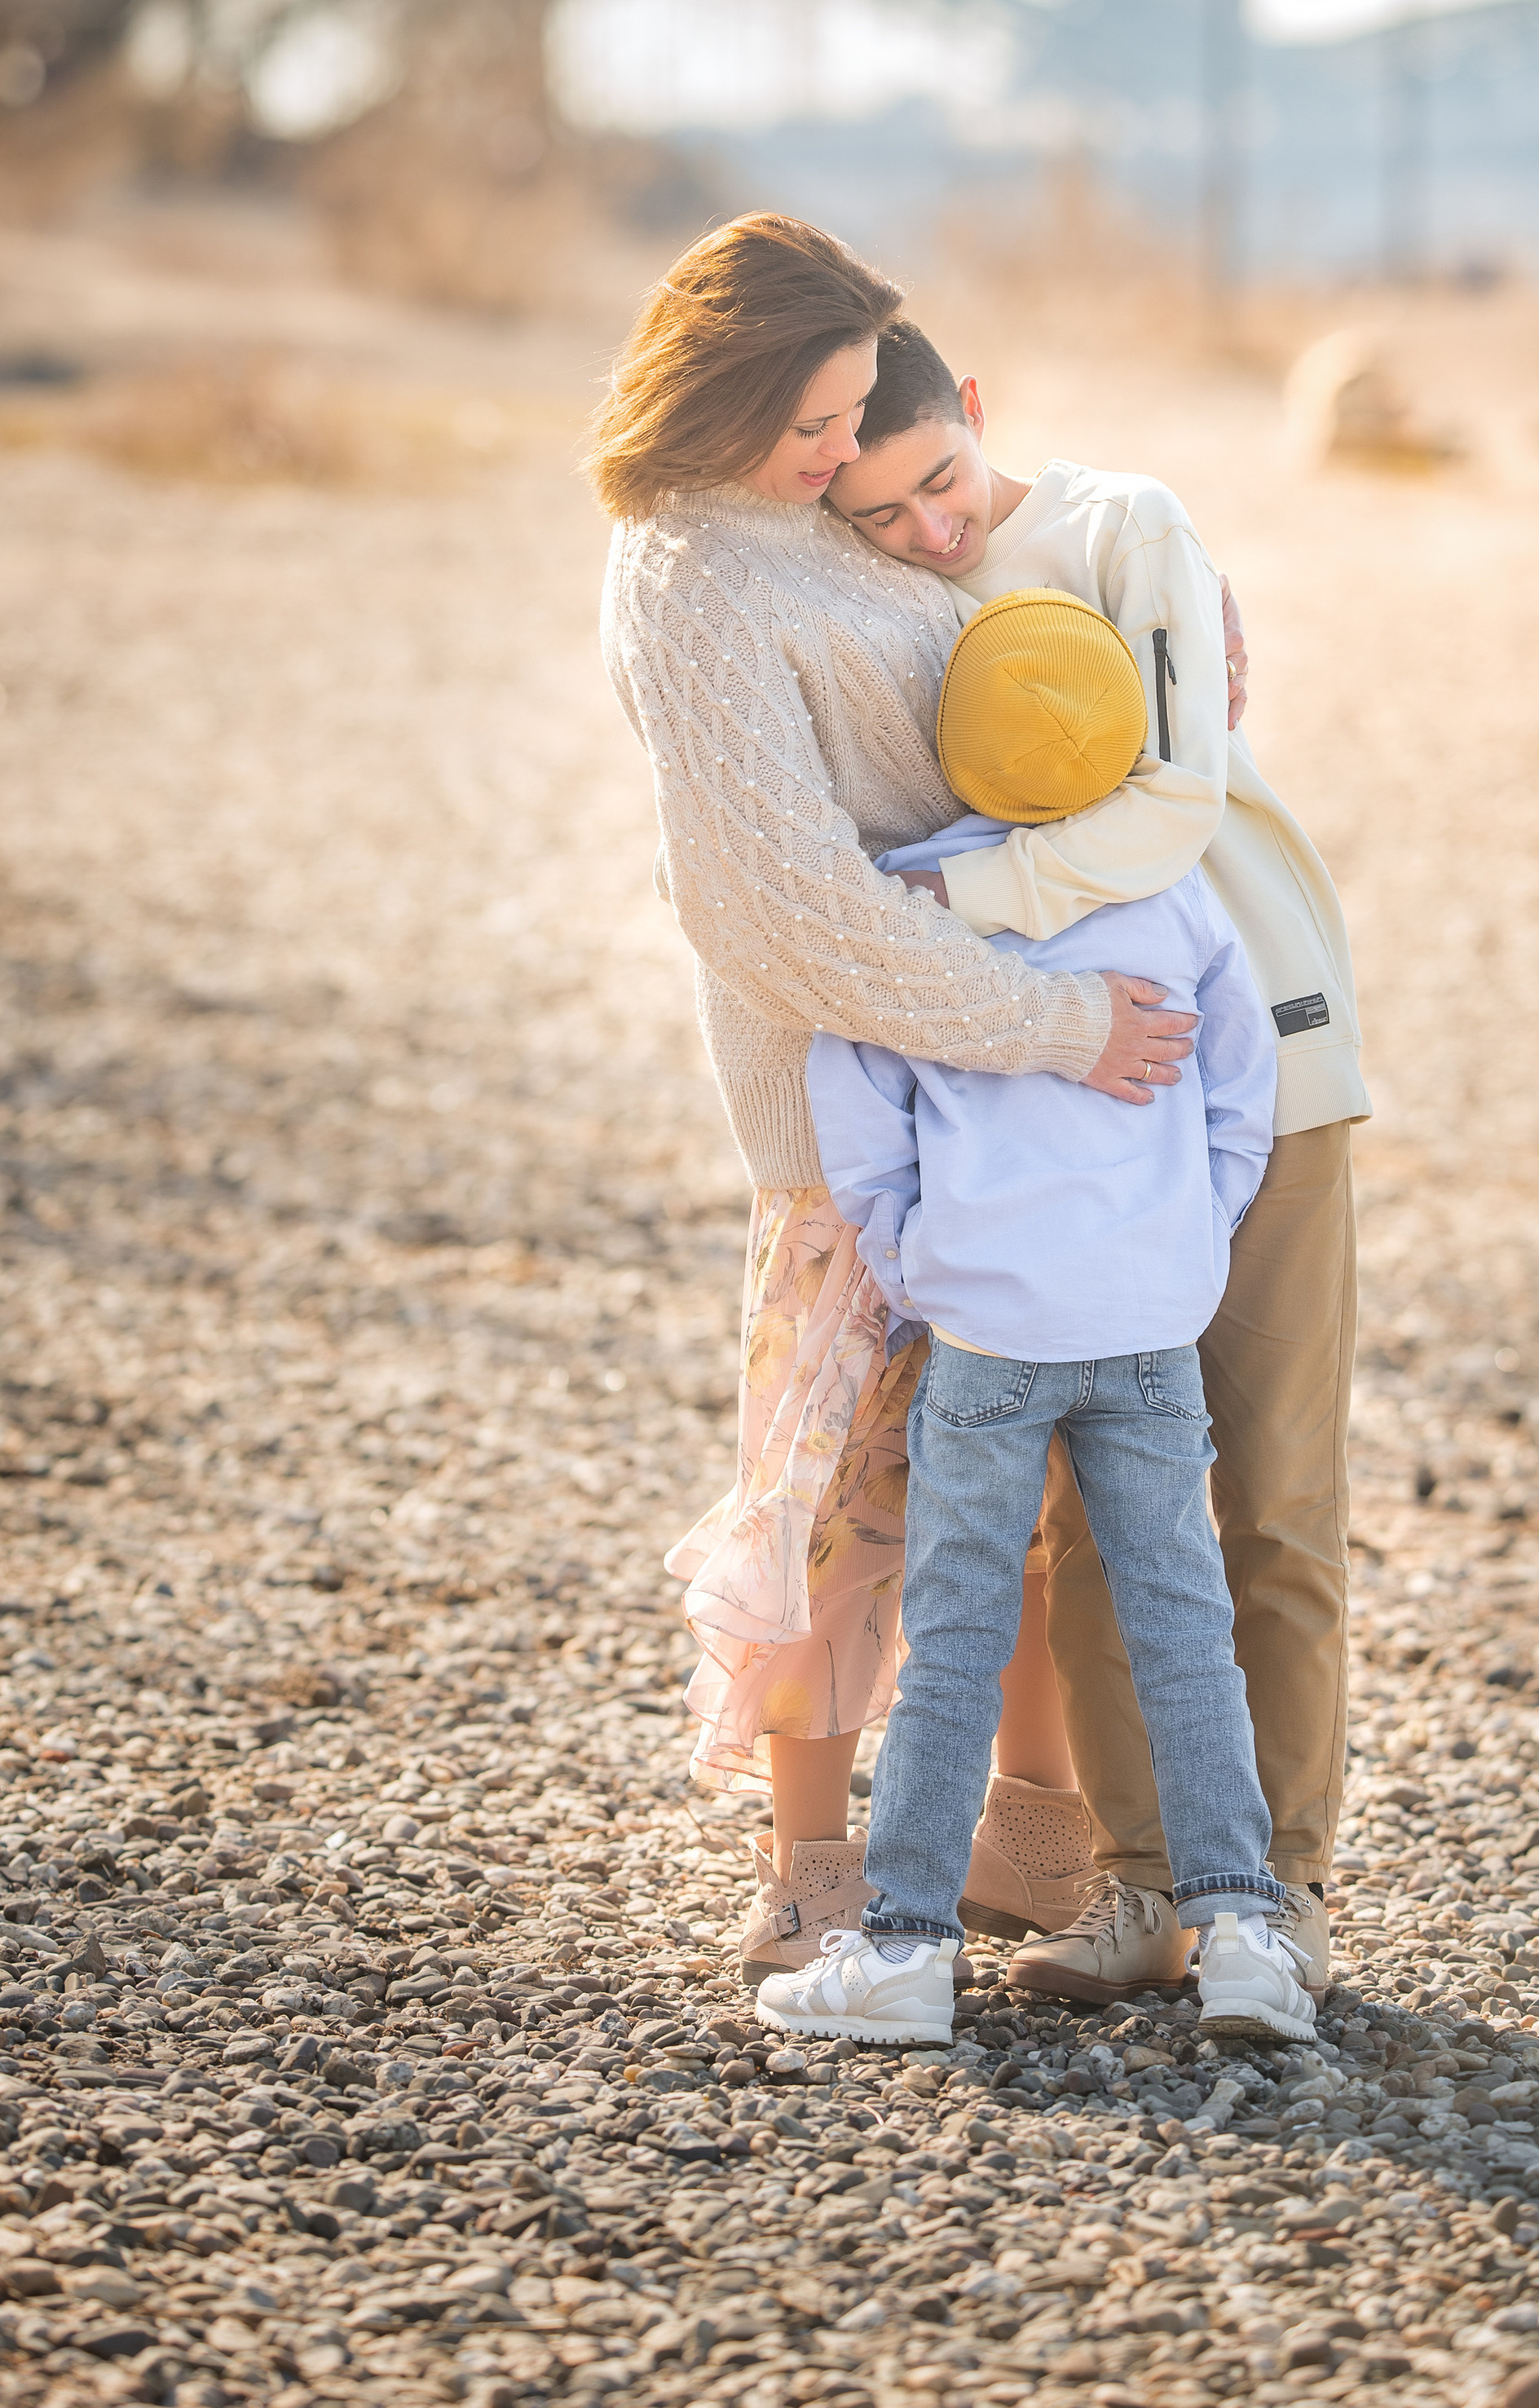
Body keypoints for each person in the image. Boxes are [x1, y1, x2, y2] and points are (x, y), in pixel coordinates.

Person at [590, 217, 1202, 1978]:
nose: (836, 458)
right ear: (717, 390)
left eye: (854, 417)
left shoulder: (808, 509)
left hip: (990, 1079)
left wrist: (1182, 612)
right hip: (859, 1090)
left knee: (1016, 1479)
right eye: (812, 422)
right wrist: (1051, 1025)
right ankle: (808, 1865)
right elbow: (775, 909)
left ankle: (1027, 1835)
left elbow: (1006, 554)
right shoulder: (687, 572)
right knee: (843, 1486)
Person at [824, 318, 1367, 2004]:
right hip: (1056, 1109)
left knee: (1268, 1502)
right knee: (1079, 1515)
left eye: (938, 480)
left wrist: (958, 911)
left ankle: (1276, 1895)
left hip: (1255, 1043)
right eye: (882, 512)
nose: (930, 529)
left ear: (976, 413)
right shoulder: (883, 588)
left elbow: (1174, 807)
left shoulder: (1124, 524)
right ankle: (1144, 1888)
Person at [756, 591, 1316, 2049]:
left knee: (955, 1633)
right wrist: (1195, 1231)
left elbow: (852, 1094)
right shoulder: (1172, 893)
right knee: (1182, 1624)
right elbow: (1242, 1086)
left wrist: (916, 1253)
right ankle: (1247, 1931)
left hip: (992, 1335)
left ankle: (902, 1955)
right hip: (1147, 1322)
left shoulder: (915, 905)